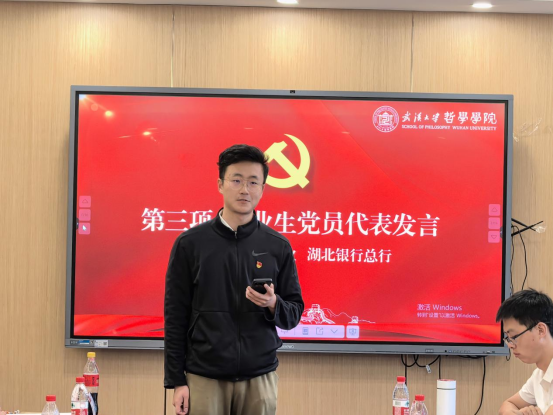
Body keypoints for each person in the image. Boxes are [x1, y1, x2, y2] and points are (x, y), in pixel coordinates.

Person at [164, 144, 304, 415]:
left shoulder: (277, 245)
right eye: (236, 180)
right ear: (220, 184)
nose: (245, 190)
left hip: (259, 377)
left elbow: (294, 312)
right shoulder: (190, 244)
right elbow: (175, 315)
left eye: (253, 182)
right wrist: (177, 380)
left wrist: (273, 304)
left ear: (262, 188)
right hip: (204, 375)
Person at [497, 289, 553, 415]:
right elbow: (507, 405)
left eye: (514, 337)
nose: (510, 345)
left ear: (540, 330)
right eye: (508, 338)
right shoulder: (539, 374)